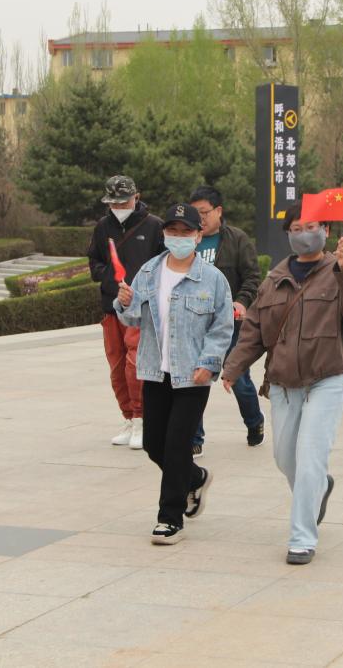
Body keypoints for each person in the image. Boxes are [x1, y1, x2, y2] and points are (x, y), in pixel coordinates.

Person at [222, 205, 343, 564]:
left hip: (326, 378)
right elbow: (254, 329)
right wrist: (233, 367)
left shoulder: (339, 271)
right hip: (283, 381)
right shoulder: (274, 279)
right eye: (297, 227)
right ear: (288, 234)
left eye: (312, 226)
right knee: (284, 457)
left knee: (309, 458)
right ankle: (319, 488)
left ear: (326, 230)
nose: (305, 233)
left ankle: (302, 538)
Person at [114, 203, 234, 544]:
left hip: (192, 374)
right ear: (164, 234)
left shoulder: (212, 278)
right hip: (156, 371)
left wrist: (209, 362)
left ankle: (170, 518)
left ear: (198, 236)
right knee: (154, 443)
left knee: (178, 443)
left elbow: (222, 326)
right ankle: (194, 478)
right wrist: (125, 302)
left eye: (186, 232)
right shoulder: (149, 271)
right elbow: (132, 318)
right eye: (173, 231)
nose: (179, 237)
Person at [87, 175, 165, 450]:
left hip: (140, 307)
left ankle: (143, 419)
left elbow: (164, 264)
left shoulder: (154, 226)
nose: (119, 207)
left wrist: (141, 288)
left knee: (135, 364)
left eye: (124, 202)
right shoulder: (102, 227)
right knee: (117, 365)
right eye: (114, 203)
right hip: (111, 305)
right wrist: (110, 277)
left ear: (136, 197)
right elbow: (94, 261)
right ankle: (129, 418)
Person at [187, 186, 265, 456]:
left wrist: (241, 302)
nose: (200, 218)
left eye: (204, 212)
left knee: (239, 379)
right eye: (195, 213)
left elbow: (253, 277)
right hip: (195, 324)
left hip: (231, 325)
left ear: (218, 211)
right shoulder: (187, 240)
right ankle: (194, 437)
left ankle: (254, 421)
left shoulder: (237, 239)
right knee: (195, 380)